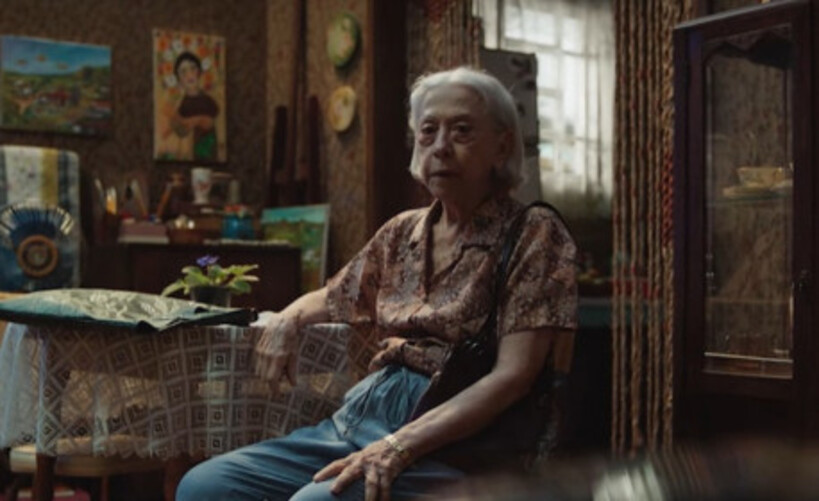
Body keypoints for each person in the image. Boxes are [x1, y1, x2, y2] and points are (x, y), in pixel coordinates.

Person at [176, 66, 578, 501]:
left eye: (462, 131)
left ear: (501, 145)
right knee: (205, 487)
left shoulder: (534, 231)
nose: (441, 146)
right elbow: (334, 297)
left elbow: (513, 377)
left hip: (459, 442)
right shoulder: (403, 231)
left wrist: (400, 445)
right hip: (363, 416)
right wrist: (287, 320)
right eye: (429, 131)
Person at [162, 51, 219, 161]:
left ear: (199, 72)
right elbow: (182, 131)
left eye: (193, 68)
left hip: (208, 148)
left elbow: (208, 122)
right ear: (178, 79)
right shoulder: (184, 103)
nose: (189, 75)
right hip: (192, 151)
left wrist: (188, 120)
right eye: (183, 72)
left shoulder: (207, 100)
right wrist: (174, 118)